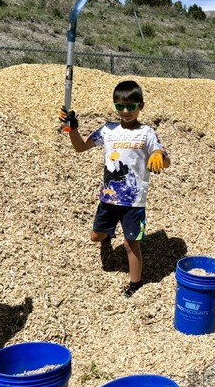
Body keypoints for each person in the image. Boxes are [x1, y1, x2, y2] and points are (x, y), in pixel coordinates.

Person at [59, 80, 170, 297]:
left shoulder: (147, 133)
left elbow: (164, 160)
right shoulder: (108, 130)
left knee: (131, 245)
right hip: (109, 199)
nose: (126, 111)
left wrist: (160, 156)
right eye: (120, 106)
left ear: (141, 106)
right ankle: (107, 236)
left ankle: (135, 284)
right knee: (96, 236)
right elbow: (80, 147)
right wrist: (73, 128)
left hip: (133, 202)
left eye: (131, 106)